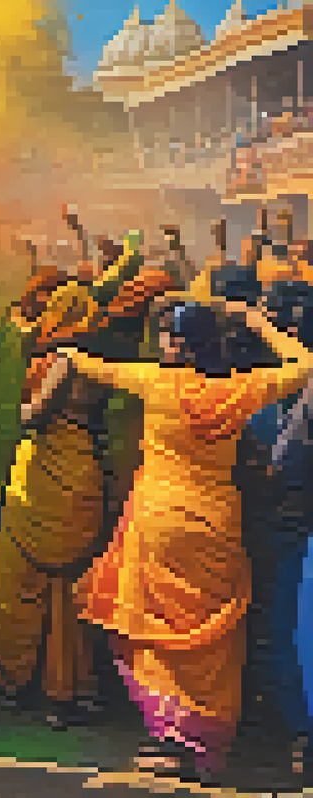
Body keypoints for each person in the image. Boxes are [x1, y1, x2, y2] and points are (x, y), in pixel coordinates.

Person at [64, 300, 313, 784]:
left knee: (152, 628)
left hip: (159, 522)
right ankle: (205, 745)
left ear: (176, 344)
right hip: (217, 526)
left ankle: (171, 739)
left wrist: (67, 347)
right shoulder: (242, 388)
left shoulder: (156, 382)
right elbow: (304, 365)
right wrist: (257, 322)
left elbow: (91, 365)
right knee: (212, 639)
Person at [0, 281, 108, 729]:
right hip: (83, 471)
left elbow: (38, 414)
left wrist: (5, 407)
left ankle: (13, 677)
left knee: (17, 578)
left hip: (45, 475)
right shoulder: (103, 357)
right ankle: (65, 689)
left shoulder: (65, 359)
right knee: (67, 589)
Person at [240, 280, 313, 772]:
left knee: (283, 626)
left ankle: (299, 731)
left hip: (287, 521)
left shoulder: (293, 386)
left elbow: (284, 464)